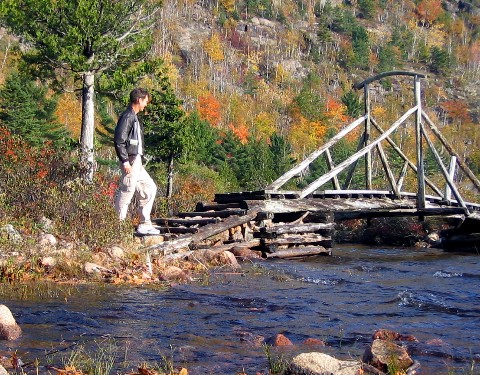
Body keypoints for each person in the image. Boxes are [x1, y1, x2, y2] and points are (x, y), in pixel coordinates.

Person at [114, 88, 160, 235]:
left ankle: (145, 224)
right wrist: (125, 161)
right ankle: (116, 227)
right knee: (127, 192)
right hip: (131, 161)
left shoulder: (133, 116)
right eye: (145, 101)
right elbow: (119, 140)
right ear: (139, 100)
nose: (146, 104)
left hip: (136, 161)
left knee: (150, 188)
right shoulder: (128, 116)